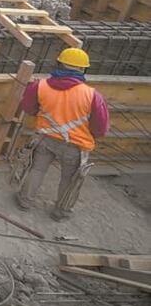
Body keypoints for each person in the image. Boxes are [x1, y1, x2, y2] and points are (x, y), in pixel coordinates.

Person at [15, 48, 108, 220]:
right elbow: (100, 129)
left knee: (37, 170)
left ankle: (25, 201)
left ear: (58, 64)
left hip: (45, 139)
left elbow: (28, 108)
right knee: (70, 179)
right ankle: (61, 212)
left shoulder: (40, 86)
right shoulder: (92, 96)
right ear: (83, 69)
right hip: (75, 146)